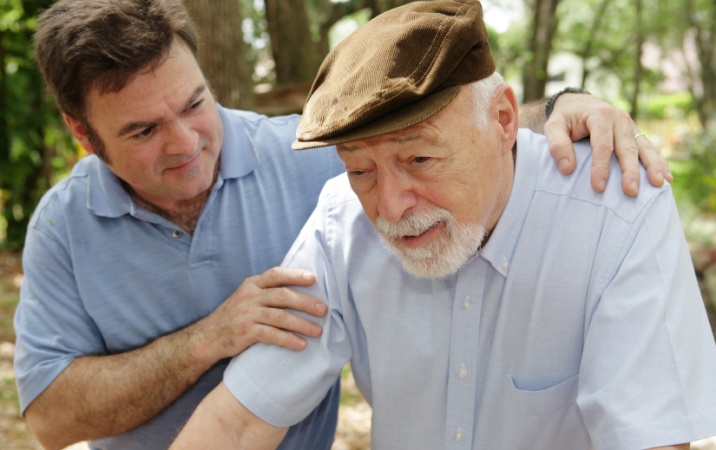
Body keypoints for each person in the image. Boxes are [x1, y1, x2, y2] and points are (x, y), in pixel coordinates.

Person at [14, 0, 672, 449]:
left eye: (195, 103)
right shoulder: (62, 230)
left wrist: (571, 105)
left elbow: (440, 129)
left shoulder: (306, 162)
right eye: (144, 130)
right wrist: (207, 339)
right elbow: (48, 420)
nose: (186, 141)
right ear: (83, 132)